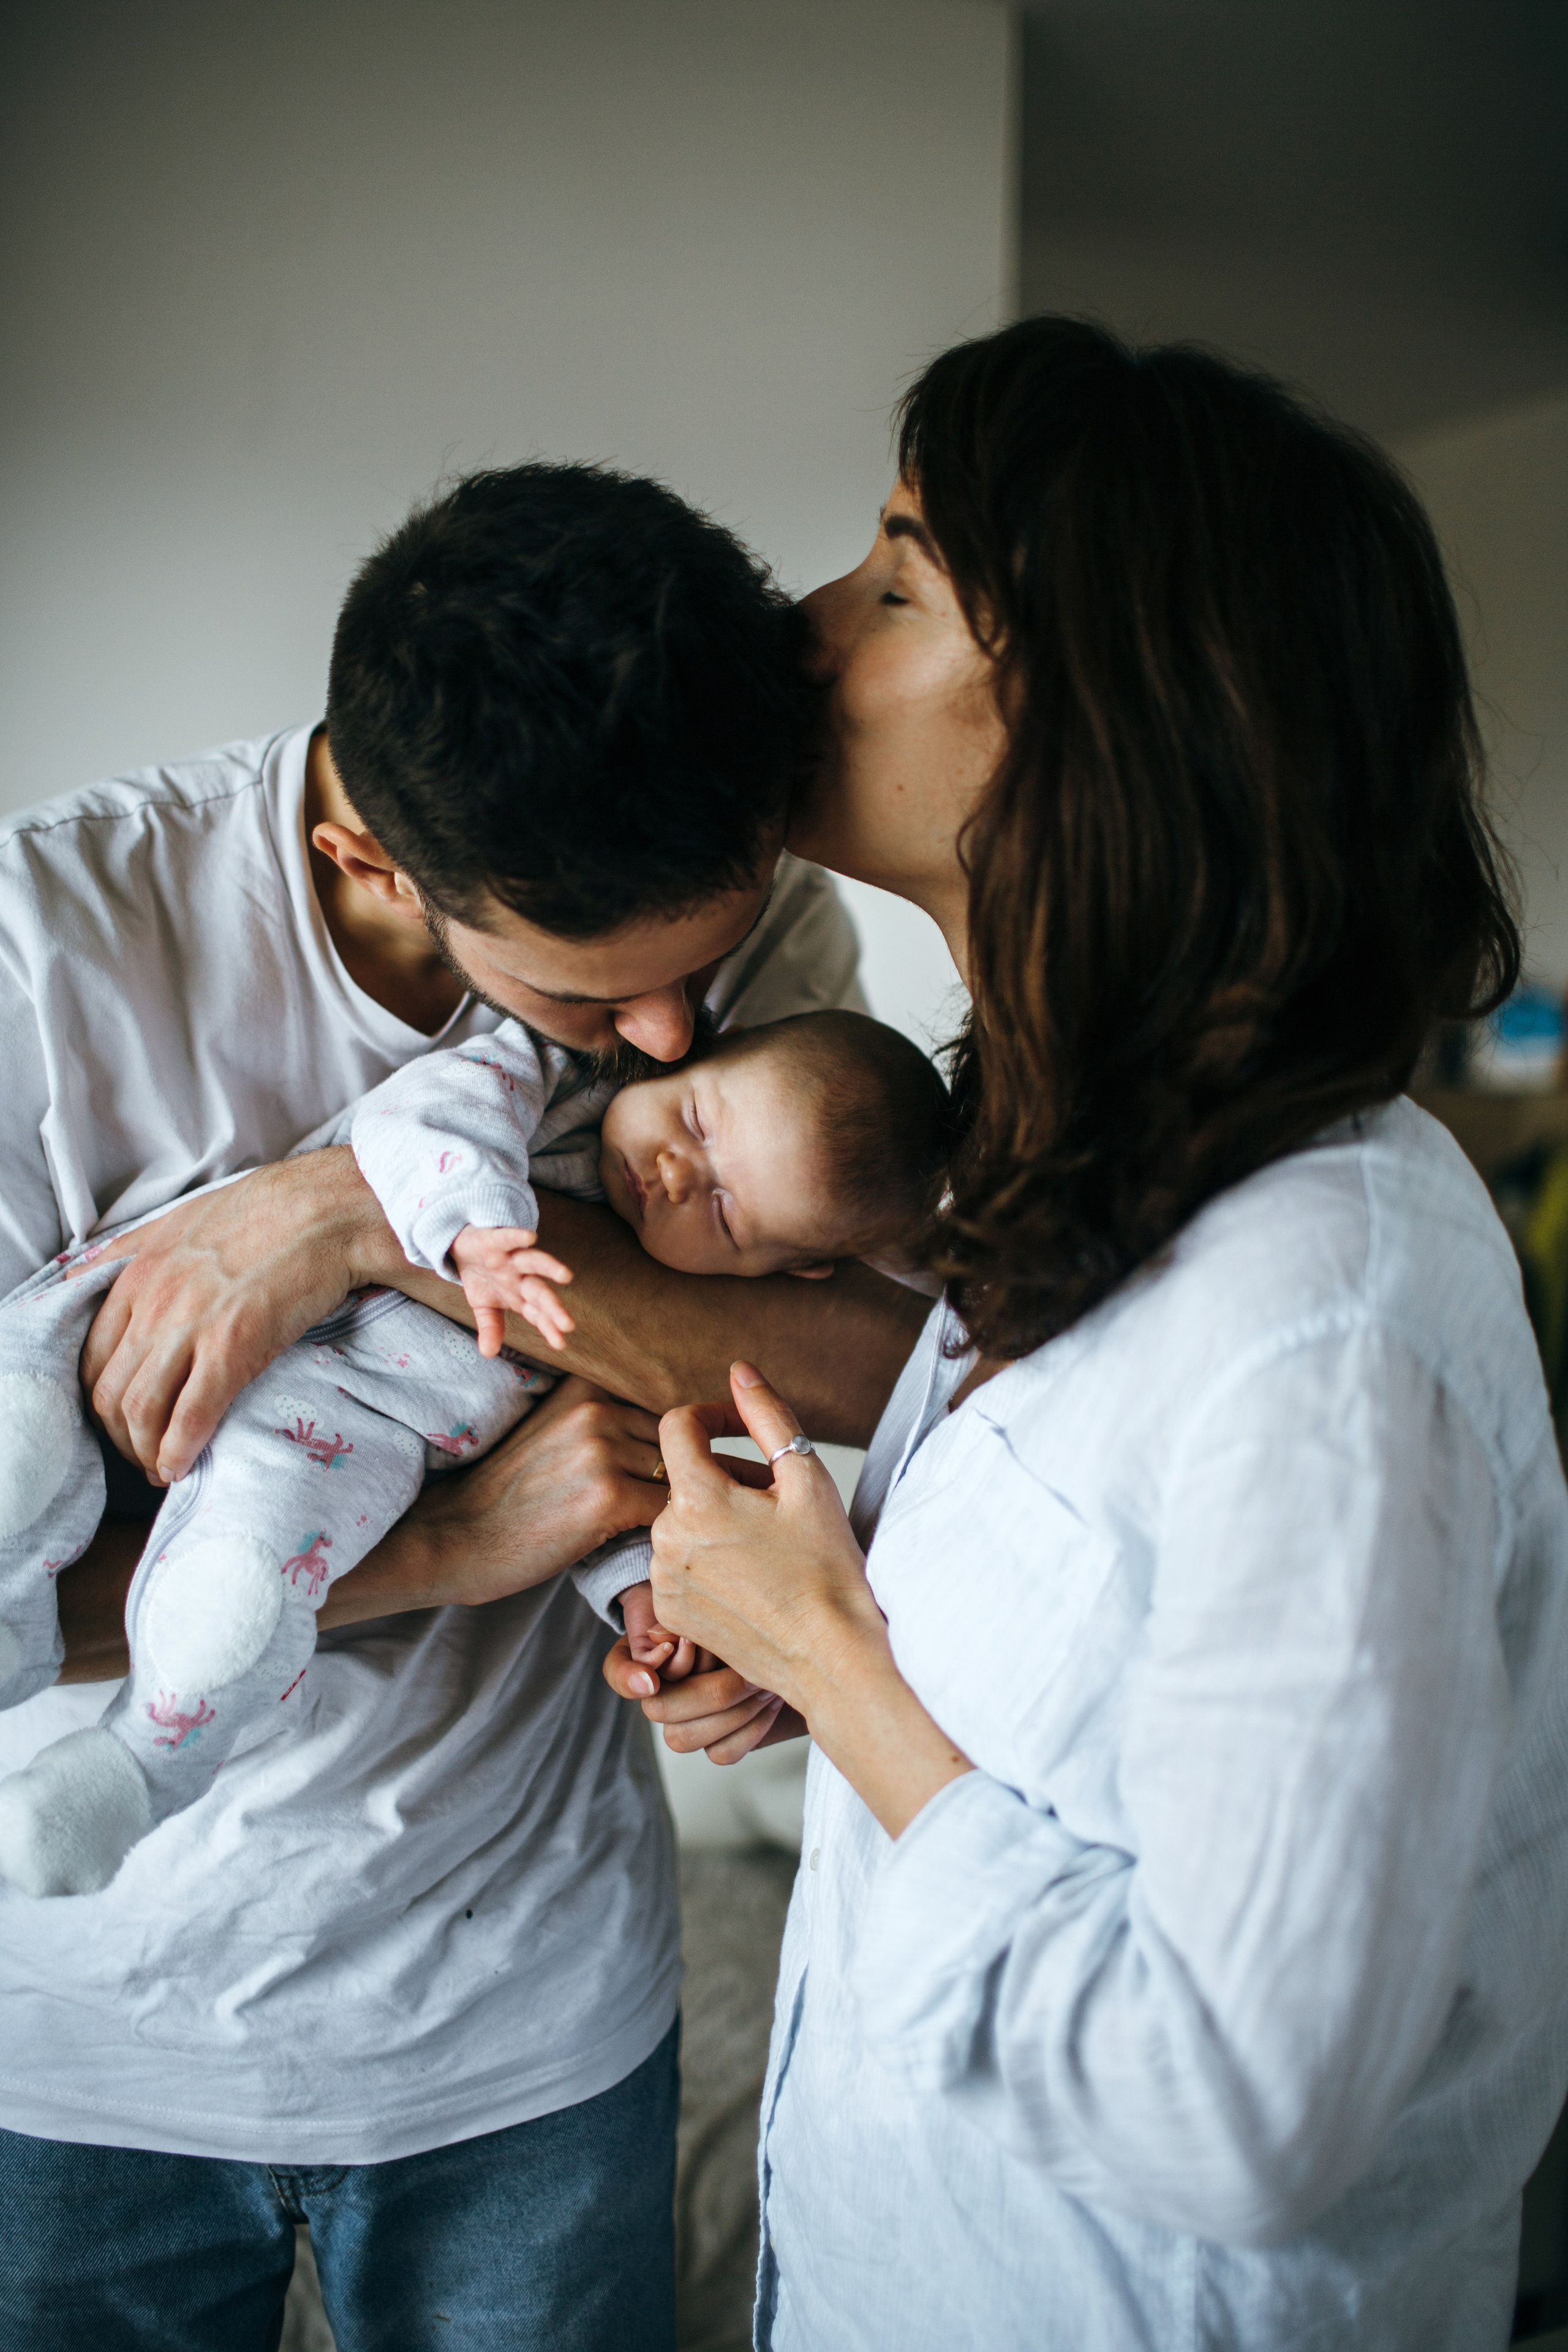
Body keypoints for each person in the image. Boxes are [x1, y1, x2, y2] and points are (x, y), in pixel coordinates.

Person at [609, 317, 1568, 2350]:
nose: (799, 630)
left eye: (893, 584)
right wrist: (845, 1662)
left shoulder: (1331, 1320)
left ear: (1121, 718)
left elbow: (1242, 2106)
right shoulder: (1074, 1190)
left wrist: (833, 1662)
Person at [0, 460, 925, 2347]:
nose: (679, 1036)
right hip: (75, 2032)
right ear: (364, 857)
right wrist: (448, 1551)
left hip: (530, 2031)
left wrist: (342, 1217)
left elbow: (879, 1357)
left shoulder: (720, 926)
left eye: (705, 974)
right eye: (600, 1007)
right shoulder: (51, 951)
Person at [0, 1008, 947, 1896]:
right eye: (695, 1121)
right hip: (142, 1322)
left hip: (330, 1430)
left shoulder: (648, 1339)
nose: (673, 1172)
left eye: (728, 1214)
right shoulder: (561, 1082)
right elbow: (431, 1111)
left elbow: (596, 1485)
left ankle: (135, 1769)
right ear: (691, 1055)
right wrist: (465, 1229)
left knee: (246, 1590)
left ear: (780, 1272)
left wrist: (645, 1603)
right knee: (27, 1448)